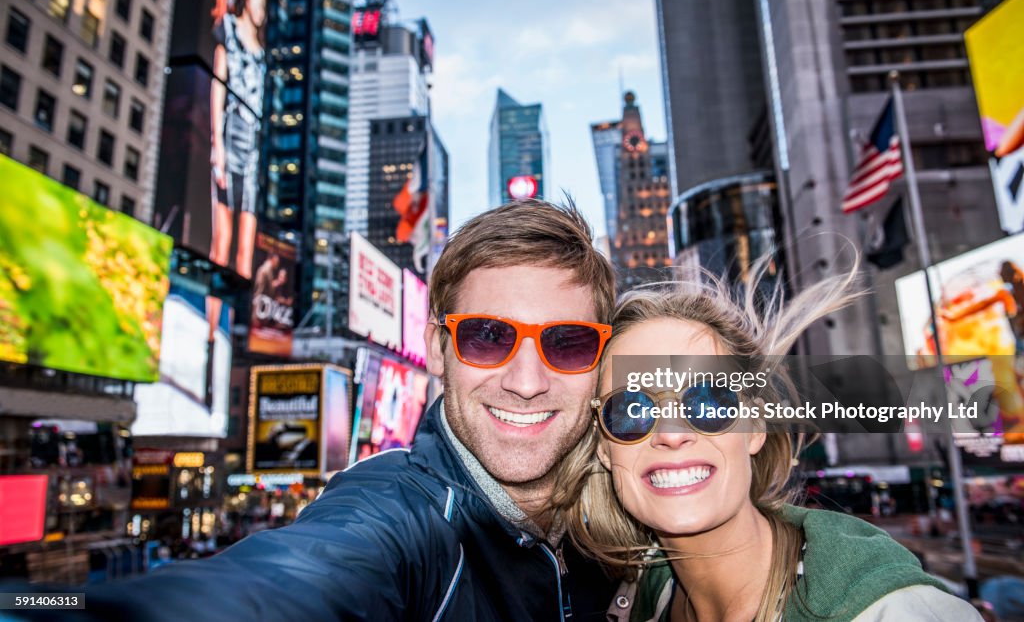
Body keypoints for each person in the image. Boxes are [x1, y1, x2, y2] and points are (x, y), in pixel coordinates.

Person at [12, 199, 619, 621]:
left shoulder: (629, 516)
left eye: (567, 342)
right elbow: (287, 585)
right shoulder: (399, 519)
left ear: (602, 360)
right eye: (488, 337)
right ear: (439, 349)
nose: (526, 381)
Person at [550, 259, 982, 621]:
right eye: (631, 410)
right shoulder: (635, 600)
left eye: (707, 400)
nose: (671, 434)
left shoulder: (891, 610)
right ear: (604, 446)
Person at [208, 0, 265, 279]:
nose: (263, 10)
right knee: (221, 242)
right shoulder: (227, 34)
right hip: (231, 136)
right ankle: (213, 331)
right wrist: (217, 145)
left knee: (246, 248)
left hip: (253, 151)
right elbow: (218, 88)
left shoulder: (262, 55)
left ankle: (237, 327)